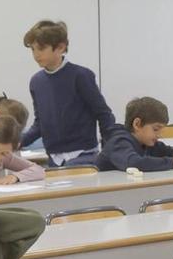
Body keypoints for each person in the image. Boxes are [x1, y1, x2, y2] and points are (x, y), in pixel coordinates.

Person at [24, 19, 116, 166]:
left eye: (41, 49)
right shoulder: (36, 82)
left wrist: (110, 151)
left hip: (83, 155)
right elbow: (40, 123)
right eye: (32, 49)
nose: (36, 54)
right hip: (54, 158)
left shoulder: (81, 76)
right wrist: (14, 142)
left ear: (60, 47)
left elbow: (103, 113)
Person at [96, 97, 173, 173]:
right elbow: (135, 163)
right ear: (137, 124)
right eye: (156, 129)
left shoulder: (148, 143)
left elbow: (169, 151)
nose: (159, 135)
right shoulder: (118, 142)